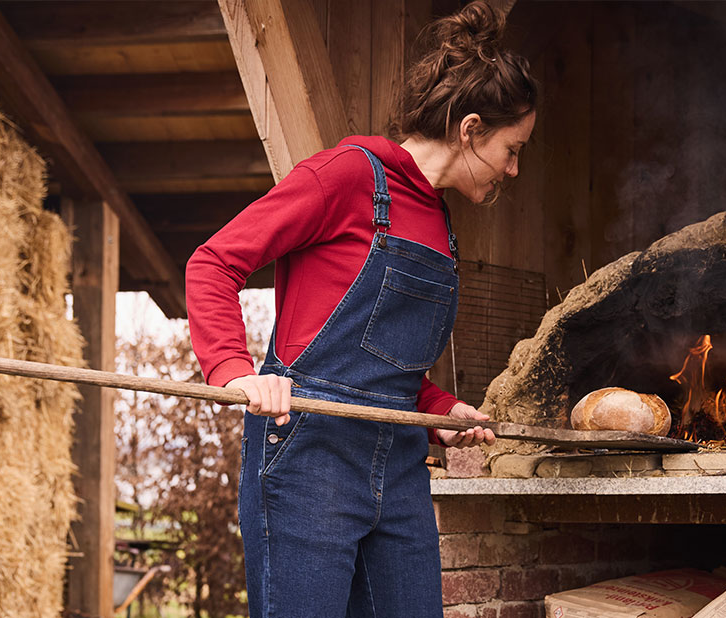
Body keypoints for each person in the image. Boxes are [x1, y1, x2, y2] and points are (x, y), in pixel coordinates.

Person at [185, 2, 538, 616]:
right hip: (309, 455)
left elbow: (388, 375)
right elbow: (213, 263)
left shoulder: (441, 223)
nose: (515, 167)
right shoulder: (347, 175)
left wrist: (442, 408)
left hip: (398, 468)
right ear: (471, 128)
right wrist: (237, 371)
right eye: (512, 147)